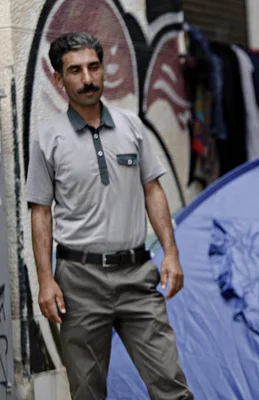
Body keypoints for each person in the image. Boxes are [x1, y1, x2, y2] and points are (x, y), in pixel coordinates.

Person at [24, 32, 193, 400]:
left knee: (171, 387)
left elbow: (153, 190)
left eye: (93, 67)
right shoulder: (47, 139)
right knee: (87, 392)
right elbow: (40, 212)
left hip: (137, 275)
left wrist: (172, 253)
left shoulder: (132, 126)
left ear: (103, 70)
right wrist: (45, 280)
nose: (87, 78)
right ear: (59, 79)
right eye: (75, 70)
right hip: (78, 283)